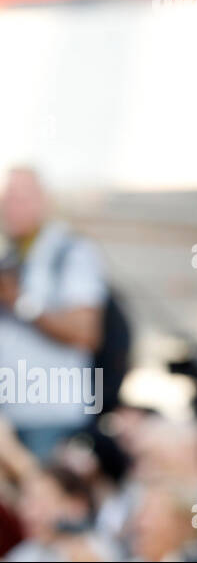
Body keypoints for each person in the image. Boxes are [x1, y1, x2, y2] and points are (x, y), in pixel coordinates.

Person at [0, 166, 108, 460]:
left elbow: (86, 333)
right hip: (11, 418)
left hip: (53, 419)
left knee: (46, 503)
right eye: (7, 198)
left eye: (20, 198)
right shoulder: (12, 254)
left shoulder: (71, 252)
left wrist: (21, 303)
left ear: (43, 201)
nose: (10, 207)